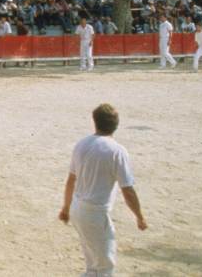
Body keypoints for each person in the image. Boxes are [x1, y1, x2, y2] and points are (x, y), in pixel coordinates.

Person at [58, 103, 147, 276]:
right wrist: (140, 217)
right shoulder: (117, 151)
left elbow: (71, 180)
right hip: (96, 214)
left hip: (78, 209)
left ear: (95, 121)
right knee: (105, 268)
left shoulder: (82, 144)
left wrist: (66, 208)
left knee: (93, 267)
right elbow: (127, 190)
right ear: (116, 124)